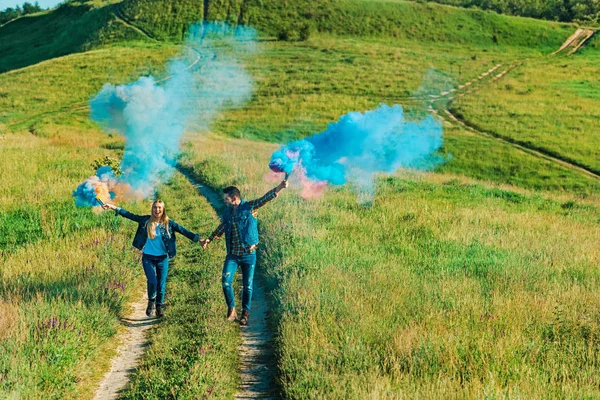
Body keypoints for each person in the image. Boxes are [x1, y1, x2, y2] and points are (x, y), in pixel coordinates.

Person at [202, 181, 288, 326]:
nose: (224, 201)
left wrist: (280, 187)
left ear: (234, 198)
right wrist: (209, 239)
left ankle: (245, 314)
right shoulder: (227, 212)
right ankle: (232, 309)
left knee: (247, 286)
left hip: (249, 254)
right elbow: (222, 227)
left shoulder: (250, 207)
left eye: (226, 198)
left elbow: (265, 198)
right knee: (225, 281)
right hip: (233, 255)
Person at [102, 200, 200, 317]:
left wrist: (199, 239)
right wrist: (113, 207)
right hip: (148, 257)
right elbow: (129, 215)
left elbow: (184, 231)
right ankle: (151, 301)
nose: (157, 210)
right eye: (155, 208)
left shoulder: (169, 224)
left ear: (163, 210)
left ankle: (159, 306)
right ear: (152, 209)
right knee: (152, 281)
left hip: (162, 258)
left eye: (159, 208)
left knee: (161, 284)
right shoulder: (145, 221)